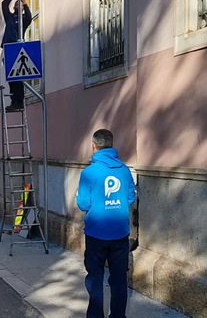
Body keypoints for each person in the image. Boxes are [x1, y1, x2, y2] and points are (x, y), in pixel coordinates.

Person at [76, 129, 136, 318]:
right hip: (120, 233)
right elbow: (130, 198)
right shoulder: (124, 169)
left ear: (94, 146)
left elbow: (83, 203)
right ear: (111, 145)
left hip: (96, 234)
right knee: (118, 280)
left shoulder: (89, 172)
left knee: (95, 278)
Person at [1, 0, 33, 112]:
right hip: (9, 49)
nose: (17, 4)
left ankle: (19, 101)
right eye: (16, 3)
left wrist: (23, 0)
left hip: (18, 49)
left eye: (19, 4)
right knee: (11, 78)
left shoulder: (24, 19)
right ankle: (14, 101)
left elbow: (30, 17)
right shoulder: (9, 18)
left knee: (17, 77)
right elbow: (4, 4)